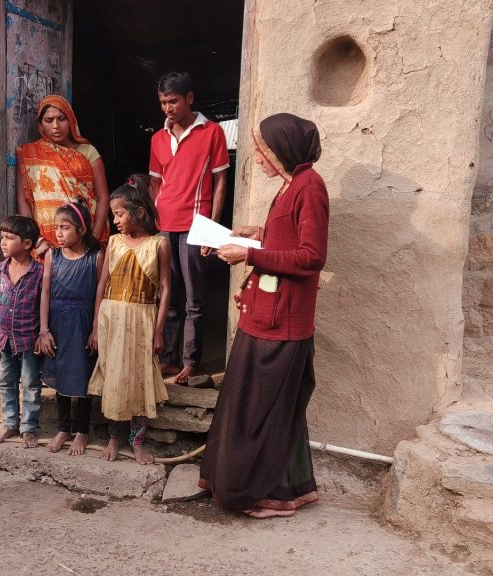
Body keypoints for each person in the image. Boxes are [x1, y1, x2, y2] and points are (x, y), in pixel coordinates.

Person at [199, 113, 329, 519]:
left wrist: (250, 255)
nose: (256, 157)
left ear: (283, 150)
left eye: (262, 150)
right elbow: (288, 237)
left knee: (264, 411)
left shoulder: (310, 189)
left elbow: (311, 257)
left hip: (283, 322)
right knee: (264, 409)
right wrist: (252, 235)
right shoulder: (291, 187)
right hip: (266, 313)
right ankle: (283, 490)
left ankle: (263, 493)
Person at [148, 72, 230, 384]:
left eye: (173, 101)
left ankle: (190, 361)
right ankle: (168, 358)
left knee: (194, 299)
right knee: (168, 296)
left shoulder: (212, 133)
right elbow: (155, 183)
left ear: (189, 99)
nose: (167, 107)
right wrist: (155, 219)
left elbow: (220, 180)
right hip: (164, 226)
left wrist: (211, 228)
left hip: (196, 226)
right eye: (162, 102)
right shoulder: (157, 139)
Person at [87, 176, 171, 464]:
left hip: (142, 317)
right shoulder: (113, 242)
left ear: (139, 211)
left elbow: (165, 289)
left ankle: (136, 441)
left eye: (119, 213)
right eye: (113, 214)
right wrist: (97, 325)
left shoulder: (159, 244)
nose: (115, 220)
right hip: (113, 317)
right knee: (113, 376)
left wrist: (158, 332)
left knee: (138, 379)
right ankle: (113, 438)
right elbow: (102, 285)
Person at [36, 199, 104, 456]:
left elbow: (100, 292)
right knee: (60, 372)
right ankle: (64, 428)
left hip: (83, 321)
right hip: (58, 322)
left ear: (82, 229)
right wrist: (44, 329)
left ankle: (82, 432)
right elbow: (44, 292)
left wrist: (96, 327)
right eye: (57, 228)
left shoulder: (96, 257)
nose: (59, 233)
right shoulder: (52, 256)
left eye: (65, 227)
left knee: (83, 374)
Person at [18, 95, 110, 260]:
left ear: (71, 120)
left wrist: (93, 237)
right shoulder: (30, 155)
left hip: (85, 237)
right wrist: (38, 241)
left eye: (61, 119)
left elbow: (103, 197)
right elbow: (24, 200)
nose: (56, 126)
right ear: (40, 125)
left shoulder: (88, 152)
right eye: (49, 120)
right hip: (47, 242)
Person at [0, 215, 45, 449]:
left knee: (30, 383)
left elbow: (44, 305)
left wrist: (43, 332)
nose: (3, 242)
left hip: (28, 337)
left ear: (28, 244)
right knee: (5, 381)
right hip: (3, 338)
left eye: (10, 238)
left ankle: (28, 428)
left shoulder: (39, 272)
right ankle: (10, 422)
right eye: (2, 237)